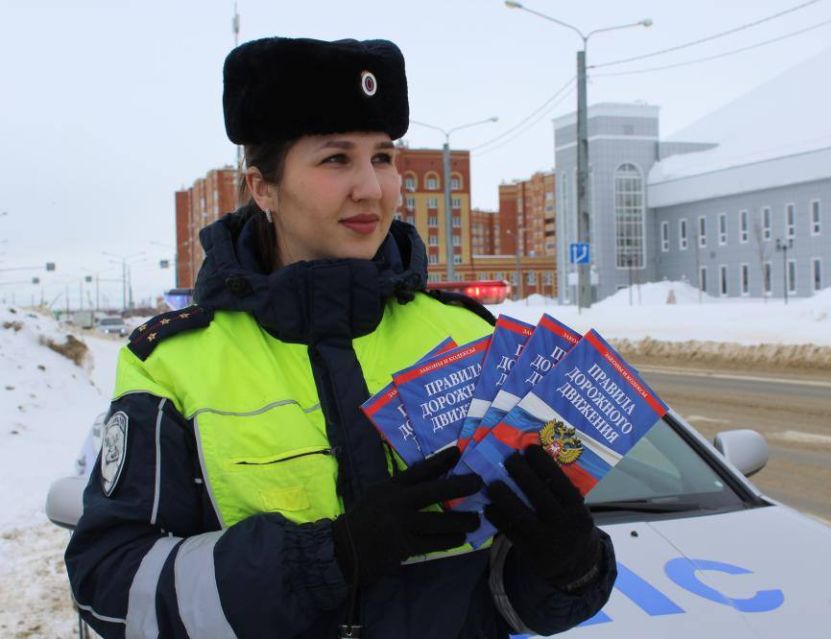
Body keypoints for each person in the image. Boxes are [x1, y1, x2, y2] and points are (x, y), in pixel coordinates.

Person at [65, 37, 616, 638]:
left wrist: (571, 567)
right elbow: (112, 586)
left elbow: (503, 596)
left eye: (382, 157)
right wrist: (327, 557)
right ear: (262, 188)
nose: (372, 188)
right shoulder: (175, 363)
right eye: (335, 159)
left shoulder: (467, 336)